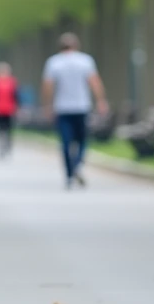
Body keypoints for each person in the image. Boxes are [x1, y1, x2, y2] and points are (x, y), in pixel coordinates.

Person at [41, 33, 108, 188]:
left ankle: (69, 173)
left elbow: (48, 86)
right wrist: (101, 101)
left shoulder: (53, 62)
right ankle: (77, 164)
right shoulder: (85, 60)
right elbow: (95, 82)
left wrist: (47, 105)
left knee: (65, 142)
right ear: (76, 45)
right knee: (82, 140)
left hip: (62, 108)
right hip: (81, 106)